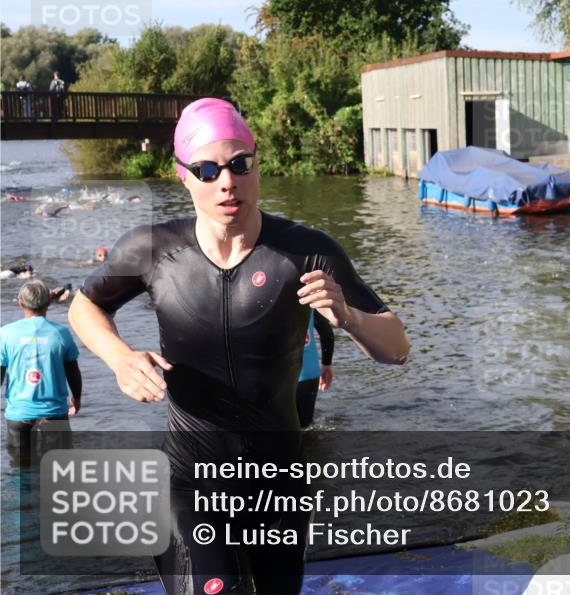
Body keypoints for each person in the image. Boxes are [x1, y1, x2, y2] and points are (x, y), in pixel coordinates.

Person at [68, 97, 409, 595]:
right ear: (183, 176)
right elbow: (85, 306)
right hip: (190, 483)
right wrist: (119, 356)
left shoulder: (304, 249)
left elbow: (397, 347)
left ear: (256, 164)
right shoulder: (151, 250)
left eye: (239, 165)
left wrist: (349, 316)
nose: (226, 182)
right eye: (207, 170)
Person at [1, 280, 82, 465]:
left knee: (21, 469)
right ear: (49, 303)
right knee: (60, 469)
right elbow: (73, 372)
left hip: (18, 412)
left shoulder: (5, 334)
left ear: (21, 304)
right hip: (54, 412)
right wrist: (77, 398)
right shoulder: (61, 333)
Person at [297, 310, 334, 428]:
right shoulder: (308, 302)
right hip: (309, 374)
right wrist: (326, 365)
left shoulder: (264, 301)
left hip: (277, 377)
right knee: (306, 427)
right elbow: (327, 332)